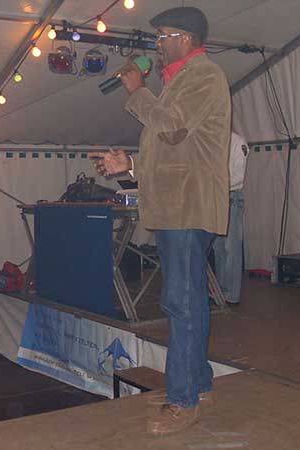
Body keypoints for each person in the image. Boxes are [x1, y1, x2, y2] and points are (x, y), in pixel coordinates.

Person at [90, 6, 231, 436]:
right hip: (177, 204)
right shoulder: (178, 82)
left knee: (180, 302)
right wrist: (129, 165)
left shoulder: (204, 76)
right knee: (189, 300)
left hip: (189, 206)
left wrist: (137, 91)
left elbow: (170, 128)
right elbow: (176, 148)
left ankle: (182, 400)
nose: (156, 45)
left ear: (186, 39)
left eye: (162, 36)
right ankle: (198, 384)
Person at [213, 131, 248, 305]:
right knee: (218, 247)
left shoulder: (237, 142)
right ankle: (221, 290)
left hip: (231, 197)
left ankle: (232, 294)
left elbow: (238, 177)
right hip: (217, 197)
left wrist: (215, 183)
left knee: (230, 247)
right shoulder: (213, 139)